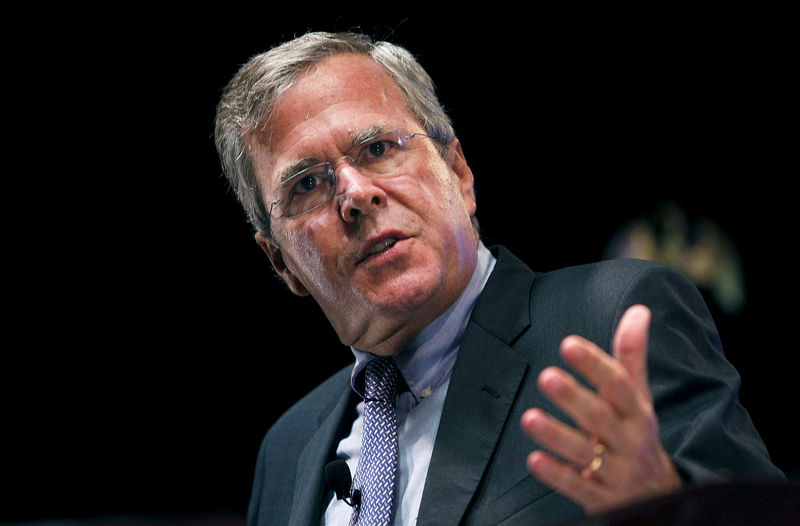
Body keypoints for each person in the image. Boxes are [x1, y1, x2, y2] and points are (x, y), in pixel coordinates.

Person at [213, 31, 783, 525]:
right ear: (280, 261)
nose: (356, 194)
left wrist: (668, 509)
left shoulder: (610, 322)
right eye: (308, 184)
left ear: (458, 172)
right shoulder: (287, 449)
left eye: (378, 147)